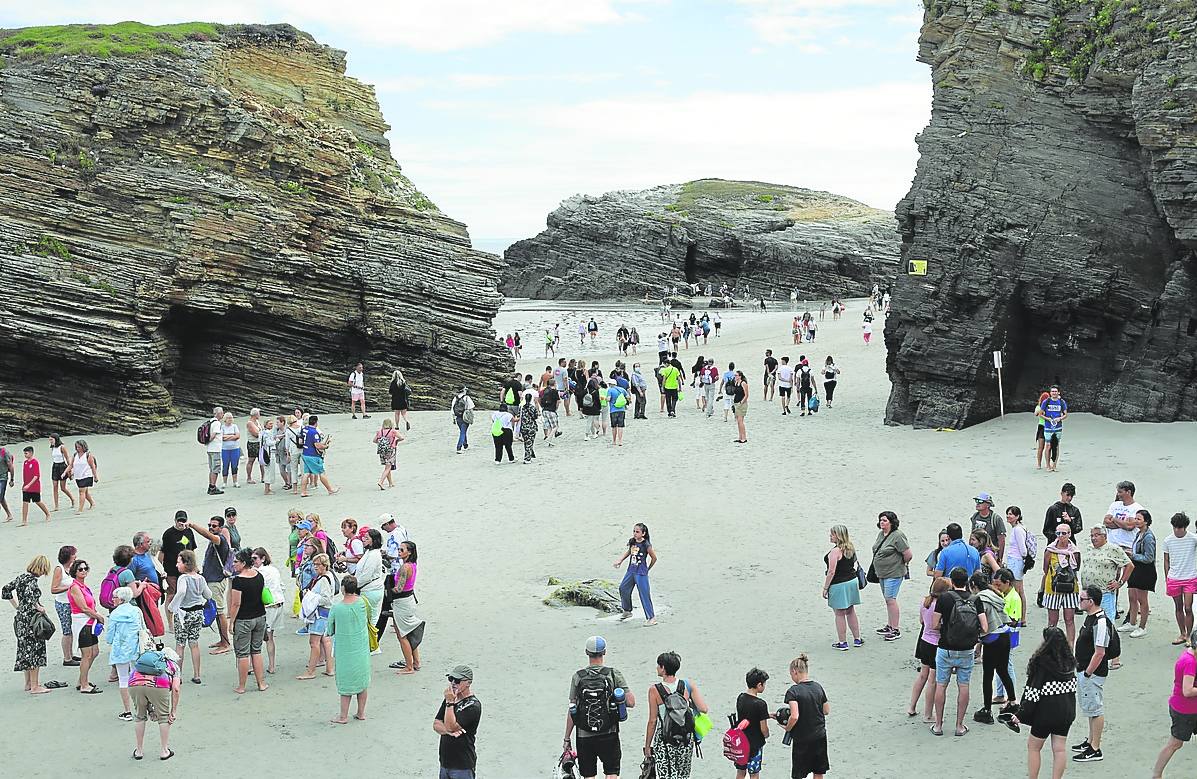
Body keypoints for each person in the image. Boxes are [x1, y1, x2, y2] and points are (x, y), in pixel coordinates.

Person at [1008, 627, 1077, 779]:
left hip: (1045, 714)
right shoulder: (1069, 663)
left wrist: (1020, 714)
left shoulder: (1041, 664)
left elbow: (1032, 694)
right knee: (1059, 749)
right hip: (1066, 712)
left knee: (1033, 747)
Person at [565, 636, 635, 779]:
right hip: (609, 733)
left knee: (589, 776)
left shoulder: (578, 677)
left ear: (586, 652)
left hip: (584, 735)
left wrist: (567, 738)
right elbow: (631, 702)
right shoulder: (613, 674)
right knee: (611, 773)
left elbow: (572, 707)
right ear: (604, 652)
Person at [931, 567, 988, 737]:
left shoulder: (945, 598)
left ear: (952, 582)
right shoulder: (975, 600)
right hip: (966, 649)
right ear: (967, 582)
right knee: (963, 686)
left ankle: (939, 725)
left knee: (941, 685)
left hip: (946, 648)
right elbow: (984, 627)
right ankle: (959, 725)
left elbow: (935, 624)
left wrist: (947, 627)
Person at [642, 650, 708, 779]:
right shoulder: (687, 685)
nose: (657, 668)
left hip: (664, 740)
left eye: (658, 665)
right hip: (685, 739)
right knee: (683, 775)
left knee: (665, 776)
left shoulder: (654, 690)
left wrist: (647, 746)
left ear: (663, 668)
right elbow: (704, 709)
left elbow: (652, 721)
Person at [1072, 585, 1114, 763]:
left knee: (1095, 709)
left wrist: (1088, 672)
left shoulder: (1100, 622)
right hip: (1085, 669)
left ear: (1091, 602)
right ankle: (1090, 741)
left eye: (1082, 599)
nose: (1079, 601)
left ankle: (1095, 748)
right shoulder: (1091, 618)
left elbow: (1100, 652)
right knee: (1090, 707)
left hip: (1092, 672)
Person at [973, 569, 1019, 725]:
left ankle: (987, 711)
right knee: (1002, 670)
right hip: (1004, 635)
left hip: (992, 639)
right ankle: (1013, 703)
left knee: (987, 675)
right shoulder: (995, 594)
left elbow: (983, 625)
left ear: (973, 585)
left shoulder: (980, 598)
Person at [1151, 627, 1197, 778]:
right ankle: (1157, 774)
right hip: (1185, 711)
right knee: (1175, 743)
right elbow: (1188, 691)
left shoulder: (1189, 656)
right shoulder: (1190, 662)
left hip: (1187, 708)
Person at [4, 555, 51, 694]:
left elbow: (5, 590)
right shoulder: (32, 582)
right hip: (31, 620)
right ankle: (35, 686)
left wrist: (17, 607)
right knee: (35, 650)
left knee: (24, 650)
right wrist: (39, 607)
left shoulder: (21, 578)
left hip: (20, 619)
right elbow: (31, 597)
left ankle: (28, 683)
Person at [327, 575, 370, 723]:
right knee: (362, 682)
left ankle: (343, 716)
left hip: (345, 650)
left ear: (343, 589)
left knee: (346, 685)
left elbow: (330, 630)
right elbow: (369, 618)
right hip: (361, 648)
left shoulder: (336, 608)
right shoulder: (363, 603)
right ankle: (361, 713)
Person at [781, 653, 830, 779]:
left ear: (795, 671)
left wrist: (787, 728)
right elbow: (826, 710)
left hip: (802, 738)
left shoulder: (793, 691)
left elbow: (794, 716)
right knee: (818, 771)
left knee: (799, 773)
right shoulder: (818, 687)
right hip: (819, 736)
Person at [128, 645, 182, 761]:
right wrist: (173, 711)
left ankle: (139, 751)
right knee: (163, 718)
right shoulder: (174, 666)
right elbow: (176, 688)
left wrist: (151, 711)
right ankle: (164, 750)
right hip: (159, 685)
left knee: (140, 716)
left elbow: (144, 685)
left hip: (134, 683)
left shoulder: (145, 662)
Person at [909, 577, 951, 721]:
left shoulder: (925, 602)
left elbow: (922, 621)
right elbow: (939, 624)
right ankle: (928, 714)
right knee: (932, 680)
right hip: (935, 643)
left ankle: (912, 706)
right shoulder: (940, 606)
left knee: (922, 675)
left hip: (924, 641)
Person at [227, 549, 268, 694]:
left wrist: (231, 622)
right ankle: (261, 683)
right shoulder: (259, 575)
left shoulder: (238, 581)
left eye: (236, 562)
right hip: (260, 617)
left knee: (243, 654)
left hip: (244, 619)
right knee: (256, 651)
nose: (233, 564)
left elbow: (236, 604)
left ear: (243, 563)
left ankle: (242, 686)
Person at [1080, 526, 1132, 641]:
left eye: (1097, 535)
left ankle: (1113, 655)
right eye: (1092, 535)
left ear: (1104, 536)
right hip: (1088, 595)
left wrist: (1120, 583)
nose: (1093, 538)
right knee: (1091, 623)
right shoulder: (1089, 548)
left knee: (1107, 624)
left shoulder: (1113, 549)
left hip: (1104, 593)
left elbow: (1129, 565)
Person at [189, 516, 232, 655]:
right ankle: (222, 639)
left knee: (219, 612)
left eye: (214, 526)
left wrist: (193, 525)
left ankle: (226, 642)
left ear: (220, 528)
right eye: (209, 525)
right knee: (216, 611)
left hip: (216, 581)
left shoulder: (220, 540)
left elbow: (207, 535)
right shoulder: (215, 541)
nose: (211, 528)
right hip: (211, 580)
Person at [168, 549, 210, 684]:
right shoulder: (200, 578)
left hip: (184, 614)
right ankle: (197, 674)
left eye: (179, 562)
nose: (176, 565)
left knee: (180, 645)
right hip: (198, 613)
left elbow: (181, 592)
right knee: (194, 643)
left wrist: (172, 606)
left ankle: (178, 676)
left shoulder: (183, 578)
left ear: (186, 563)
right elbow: (208, 595)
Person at [106, 586, 146, 721]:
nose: (112, 599)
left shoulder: (115, 614)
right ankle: (141, 708)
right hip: (136, 648)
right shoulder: (136, 611)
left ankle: (127, 711)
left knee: (123, 679)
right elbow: (143, 628)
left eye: (114, 597)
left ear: (121, 599)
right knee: (138, 677)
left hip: (120, 649)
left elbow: (109, 636)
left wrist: (112, 640)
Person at [436, 664, 482, 778]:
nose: (453, 683)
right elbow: (436, 724)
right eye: (451, 679)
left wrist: (450, 703)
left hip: (462, 765)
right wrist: (447, 732)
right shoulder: (449, 699)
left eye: (457, 680)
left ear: (468, 683)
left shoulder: (473, 706)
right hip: (445, 762)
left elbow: (451, 726)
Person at [871, 511, 912, 640]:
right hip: (882, 573)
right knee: (888, 600)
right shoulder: (881, 534)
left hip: (894, 573)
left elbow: (908, 554)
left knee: (891, 599)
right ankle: (890, 625)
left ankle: (895, 629)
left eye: (885, 520)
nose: (882, 522)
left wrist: (899, 564)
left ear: (891, 522)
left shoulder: (898, 536)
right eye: (881, 520)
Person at [67, 558, 105, 693]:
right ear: (75, 572)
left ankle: (82, 680)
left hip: (90, 622)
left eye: (85, 569)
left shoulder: (83, 586)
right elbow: (83, 608)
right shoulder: (75, 587)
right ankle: (84, 685)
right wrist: (99, 616)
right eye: (80, 569)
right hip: (82, 623)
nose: (83, 571)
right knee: (86, 654)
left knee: (95, 652)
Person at [822, 524, 862, 650]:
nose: (830, 536)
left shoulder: (835, 552)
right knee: (850, 610)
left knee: (839, 613)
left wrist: (825, 588)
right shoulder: (850, 547)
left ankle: (843, 642)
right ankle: (857, 639)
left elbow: (831, 571)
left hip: (839, 584)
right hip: (852, 581)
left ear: (838, 536)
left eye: (832, 534)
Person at [388, 541, 424, 674]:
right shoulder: (413, 565)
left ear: (409, 552)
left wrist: (387, 589)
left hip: (402, 603)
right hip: (409, 600)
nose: (399, 551)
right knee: (408, 632)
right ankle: (416, 662)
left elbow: (399, 589)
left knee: (402, 635)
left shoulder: (404, 568)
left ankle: (409, 666)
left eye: (402, 550)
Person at [297, 553, 335, 680]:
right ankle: (330, 668)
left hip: (320, 614)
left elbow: (326, 598)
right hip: (327, 613)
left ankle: (310, 671)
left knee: (314, 643)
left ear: (324, 565)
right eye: (314, 564)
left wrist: (311, 597)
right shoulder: (329, 576)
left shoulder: (324, 579)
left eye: (317, 565)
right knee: (326, 641)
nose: (315, 567)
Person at [1044, 523, 1081, 645]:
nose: (1061, 536)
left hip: (1070, 588)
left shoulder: (1075, 552)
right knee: (1052, 621)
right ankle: (1050, 646)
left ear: (1069, 534)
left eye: (1064, 533)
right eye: (1058, 533)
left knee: (1069, 619)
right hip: (1052, 588)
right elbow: (1045, 569)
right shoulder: (1050, 550)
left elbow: (1077, 568)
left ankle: (1070, 647)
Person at [1164, 511, 1197, 647]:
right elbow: (1166, 560)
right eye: (1175, 527)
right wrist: (1167, 577)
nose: (1177, 530)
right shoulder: (1168, 540)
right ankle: (1182, 633)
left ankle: (1189, 636)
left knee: (1188, 607)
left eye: (1180, 527)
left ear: (1185, 527)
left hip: (1190, 577)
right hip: (1174, 578)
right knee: (1178, 607)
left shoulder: (1193, 539)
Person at [614, 523, 656, 625]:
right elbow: (629, 552)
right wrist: (620, 560)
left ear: (643, 533)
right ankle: (627, 611)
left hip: (641, 573)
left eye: (637, 532)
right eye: (634, 531)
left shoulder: (646, 545)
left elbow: (654, 558)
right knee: (623, 588)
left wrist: (647, 569)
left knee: (644, 594)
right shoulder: (632, 542)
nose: (635, 533)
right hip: (631, 571)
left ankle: (651, 618)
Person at [1126, 508, 1156, 638]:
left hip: (1145, 571)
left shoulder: (1148, 537)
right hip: (1136, 568)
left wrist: (1133, 555)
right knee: (1132, 596)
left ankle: (1142, 626)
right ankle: (1132, 623)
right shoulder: (1139, 534)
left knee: (1142, 599)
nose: (1136, 521)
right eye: (1136, 518)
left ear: (1146, 521)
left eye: (1139, 519)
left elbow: (1149, 557)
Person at [736, 668, 770, 779]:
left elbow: (749, 715)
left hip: (741, 743)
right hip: (755, 745)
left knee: (741, 772)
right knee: (754, 774)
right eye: (764, 684)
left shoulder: (740, 698)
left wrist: (768, 714)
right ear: (759, 685)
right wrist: (767, 735)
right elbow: (763, 729)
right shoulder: (761, 704)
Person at [160, 510, 196, 613]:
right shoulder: (168, 534)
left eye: (183, 520)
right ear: (175, 520)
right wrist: (160, 569)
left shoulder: (189, 532)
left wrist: (194, 567)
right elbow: (162, 552)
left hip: (186, 569)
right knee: (172, 594)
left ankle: (183, 616)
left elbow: (192, 550)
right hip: (171, 569)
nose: (181, 523)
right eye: (179, 520)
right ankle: (171, 623)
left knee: (186, 593)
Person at [50, 545, 78, 667]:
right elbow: (54, 589)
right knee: (67, 631)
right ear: (68, 556)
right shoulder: (59, 569)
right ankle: (67, 658)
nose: (76, 556)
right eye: (74, 554)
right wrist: (70, 587)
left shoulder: (72, 567)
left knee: (72, 630)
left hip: (72, 602)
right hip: (63, 604)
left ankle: (71, 654)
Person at [298, 415, 338, 497]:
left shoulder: (304, 429)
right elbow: (318, 446)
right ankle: (330, 490)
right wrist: (326, 446)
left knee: (306, 473)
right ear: (316, 422)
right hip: (313, 455)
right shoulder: (314, 432)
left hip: (305, 453)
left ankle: (303, 491)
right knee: (321, 472)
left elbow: (301, 441)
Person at [1005, 506, 1034, 614]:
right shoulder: (1018, 528)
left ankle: (1016, 615)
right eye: (1008, 513)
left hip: (1016, 561)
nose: (1008, 516)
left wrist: (1021, 560)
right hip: (1016, 561)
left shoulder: (1018, 530)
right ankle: (1022, 617)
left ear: (1017, 516)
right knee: (1020, 590)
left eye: (1011, 514)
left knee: (1016, 591)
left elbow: (1023, 550)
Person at [16, 446, 51, 525]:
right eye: (24, 453)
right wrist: (25, 485)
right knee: (25, 502)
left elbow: (36, 476)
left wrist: (29, 485)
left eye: (26, 453)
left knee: (37, 501)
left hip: (34, 486)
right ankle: (24, 521)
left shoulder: (35, 462)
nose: (25, 455)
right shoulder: (25, 462)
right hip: (26, 486)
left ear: (31, 453)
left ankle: (47, 514)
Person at [1037, 386, 1068, 471]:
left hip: (1058, 427)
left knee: (1056, 446)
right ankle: (1047, 466)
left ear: (1058, 393)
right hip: (1048, 427)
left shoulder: (1061, 402)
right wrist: (1048, 419)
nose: (1054, 393)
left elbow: (1066, 414)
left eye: (1055, 391)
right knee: (1048, 446)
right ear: (1050, 393)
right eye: (1052, 391)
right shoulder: (1046, 402)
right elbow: (1040, 414)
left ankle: (1054, 465)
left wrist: (1060, 418)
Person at [970, 492, 1007, 561]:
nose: (977, 503)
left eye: (980, 501)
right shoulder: (975, 517)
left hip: (990, 555)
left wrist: (999, 559)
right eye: (976, 501)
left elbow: (1001, 540)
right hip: (976, 554)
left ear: (988, 504)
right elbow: (972, 536)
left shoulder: (996, 519)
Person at [67, 439, 98, 514]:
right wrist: (68, 472)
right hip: (78, 476)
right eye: (76, 447)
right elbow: (72, 465)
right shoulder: (75, 455)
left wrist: (95, 476)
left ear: (83, 447)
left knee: (81, 492)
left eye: (79, 447)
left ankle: (80, 509)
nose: (78, 449)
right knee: (85, 492)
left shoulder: (88, 455)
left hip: (87, 475)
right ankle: (92, 503)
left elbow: (93, 466)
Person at [47, 434, 75, 511]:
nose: (50, 441)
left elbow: (67, 459)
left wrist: (70, 470)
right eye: (49, 440)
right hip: (55, 466)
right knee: (55, 486)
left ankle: (72, 499)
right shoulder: (52, 447)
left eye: (51, 440)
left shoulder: (62, 447)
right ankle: (56, 506)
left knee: (63, 488)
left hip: (62, 466)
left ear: (56, 439)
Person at [373, 418, 400, 489]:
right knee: (388, 467)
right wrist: (396, 441)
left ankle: (390, 483)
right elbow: (402, 438)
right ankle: (381, 482)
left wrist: (381, 443)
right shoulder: (393, 431)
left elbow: (374, 440)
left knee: (387, 467)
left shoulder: (380, 432)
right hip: (390, 450)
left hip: (382, 451)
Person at [204, 406, 224, 495]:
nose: (223, 414)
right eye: (222, 413)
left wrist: (206, 443)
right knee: (215, 469)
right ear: (218, 414)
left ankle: (210, 486)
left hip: (210, 449)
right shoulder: (217, 423)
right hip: (215, 449)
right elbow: (213, 435)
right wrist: (209, 441)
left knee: (212, 468)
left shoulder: (210, 421)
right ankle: (213, 487)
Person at [219, 412, 241, 489]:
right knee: (225, 465)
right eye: (228, 418)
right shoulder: (222, 427)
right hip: (225, 449)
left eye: (231, 418)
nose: (230, 419)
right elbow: (222, 437)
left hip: (235, 449)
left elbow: (237, 436)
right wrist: (232, 436)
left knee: (235, 465)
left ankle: (235, 481)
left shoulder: (235, 426)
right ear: (225, 419)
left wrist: (228, 437)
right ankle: (224, 482)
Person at [451, 386, 475, 453]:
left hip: (458, 417)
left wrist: (453, 418)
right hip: (465, 417)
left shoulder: (455, 398)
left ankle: (465, 445)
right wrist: (471, 417)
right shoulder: (467, 398)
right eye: (465, 389)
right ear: (463, 390)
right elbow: (471, 407)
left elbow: (452, 409)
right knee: (463, 432)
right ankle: (459, 447)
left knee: (462, 431)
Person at [518, 391, 540, 463]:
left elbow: (518, 416)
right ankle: (527, 458)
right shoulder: (532, 407)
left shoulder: (521, 408)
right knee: (530, 442)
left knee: (526, 442)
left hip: (524, 427)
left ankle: (529, 454)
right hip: (531, 427)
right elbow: (536, 416)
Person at [733, 371, 749, 443]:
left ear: (740, 376)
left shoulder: (743, 383)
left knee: (741, 421)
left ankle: (744, 437)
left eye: (736, 375)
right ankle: (740, 437)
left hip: (742, 404)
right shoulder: (736, 383)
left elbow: (746, 395)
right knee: (738, 422)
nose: (735, 377)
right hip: (736, 403)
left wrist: (741, 403)